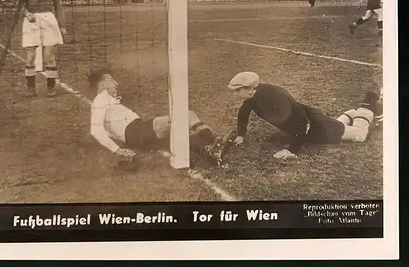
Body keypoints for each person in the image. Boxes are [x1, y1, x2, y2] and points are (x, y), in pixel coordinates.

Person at [224, 72, 382, 159]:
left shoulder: (273, 96)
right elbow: (243, 112)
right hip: (313, 122)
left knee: (359, 135)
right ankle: (353, 113)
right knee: (338, 126)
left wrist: (292, 150)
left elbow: (302, 123)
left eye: (237, 90)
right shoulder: (254, 95)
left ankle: (370, 99)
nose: (235, 93)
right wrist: (240, 134)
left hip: (315, 126)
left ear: (249, 88)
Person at [88, 68, 221, 166]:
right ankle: (213, 143)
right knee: (187, 115)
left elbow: (108, 130)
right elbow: (95, 130)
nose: (116, 83)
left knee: (179, 131)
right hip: (137, 130)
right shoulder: (100, 99)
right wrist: (116, 150)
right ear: (102, 84)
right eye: (111, 80)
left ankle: (209, 153)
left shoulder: (106, 100)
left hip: (138, 134)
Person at [18, 0, 69, 97]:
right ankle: (30, 88)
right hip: (31, 20)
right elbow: (20, 5)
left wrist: (62, 25)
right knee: (30, 56)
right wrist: (26, 13)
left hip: (48, 18)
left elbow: (58, 5)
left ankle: (51, 88)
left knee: (49, 56)